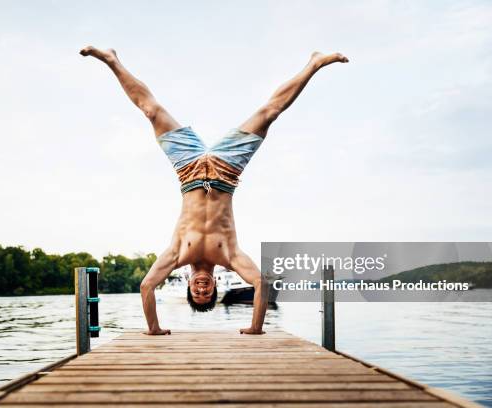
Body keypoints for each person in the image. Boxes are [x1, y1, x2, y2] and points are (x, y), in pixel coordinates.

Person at [80, 46, 348, 335]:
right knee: (269, 112)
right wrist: (256, 328)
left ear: (190, 288)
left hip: (189, 168)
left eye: (198, 293)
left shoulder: (177, 253)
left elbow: (146, 286)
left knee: (151, 110)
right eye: (207, 294)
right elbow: (261, 284)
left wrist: (154, 328)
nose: (202, 290)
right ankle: (315, 63)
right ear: (215, 286)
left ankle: (111, 59)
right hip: (226, 169)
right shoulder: (230, 257)